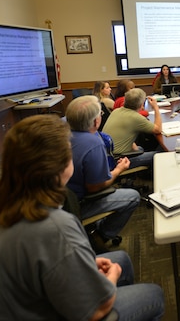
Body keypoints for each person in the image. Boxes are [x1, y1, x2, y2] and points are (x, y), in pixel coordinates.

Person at [0, 114, 164, 321]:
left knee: (122, 259)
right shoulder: (57, 226)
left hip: (21, 305)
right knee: (153, 295)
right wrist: (111, 278)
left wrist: (82, 265)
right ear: (61, 163)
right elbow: (97, 309)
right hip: (57, 313)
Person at [65, 96, 141, 246]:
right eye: (100, 114)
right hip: (78, 204)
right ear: (96, 121)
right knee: (133, 197)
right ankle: (101, 235)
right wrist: (119, 169)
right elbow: (95, 187)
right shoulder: (93, 142)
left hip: (59, 201)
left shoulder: (61, 131)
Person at [103, 88, 161, 169]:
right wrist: (156, 107)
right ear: (141, 105)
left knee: (140, 148)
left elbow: (124, 133)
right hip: (119, 160)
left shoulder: (116, 111)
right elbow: (158, 129)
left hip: (106, 156)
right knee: (160, 155)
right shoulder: (135, 117)